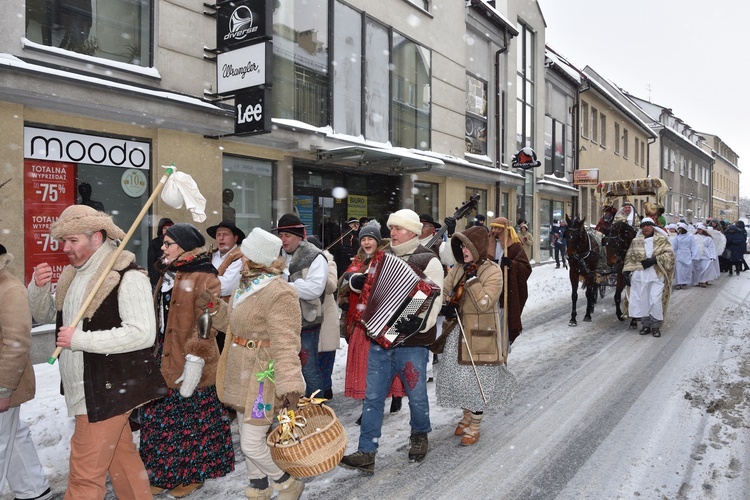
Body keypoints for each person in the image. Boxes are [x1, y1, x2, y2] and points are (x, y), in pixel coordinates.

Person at [27, 205, 167, 499]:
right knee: (121, 461)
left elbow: (143, 333)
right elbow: (50, 314)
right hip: (88, 388)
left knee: (83, 478)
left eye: (73, 240)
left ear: (97, 238)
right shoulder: (72, 276)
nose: (65, 248)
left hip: (107, 389)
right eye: (63, 241)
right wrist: (39, 290)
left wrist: (82, 340)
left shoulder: (128, 277)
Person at [340, 209, 443, 473]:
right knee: (373, 397)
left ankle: (419, 434)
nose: (392, 233)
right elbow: (362, 286)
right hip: (379, 341)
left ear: (412, 231)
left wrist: (405, 326)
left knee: (416, 395)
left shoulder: (428, 260)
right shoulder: (381, 259)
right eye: (391, 228)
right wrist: (357, 282)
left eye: (398, 228)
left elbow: (431, 305)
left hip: (412, 344)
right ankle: (367, 450)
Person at [140, 223, 234, 497]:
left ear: (182, 246)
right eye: (163, 243)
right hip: (163, 357)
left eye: (168, 243)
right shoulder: (167, 274)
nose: (163, 247)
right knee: (160, 420)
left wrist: (195, 358)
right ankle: (163, 472)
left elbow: (206, 321)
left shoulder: (205, 276)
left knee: (190, 421)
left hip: (190, 358)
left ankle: (192, 474)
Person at [216, 228, 305, 500]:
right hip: (240, 370)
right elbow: (233, 326)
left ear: (253, 257)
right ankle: (259, 485)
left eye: (243, 253)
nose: (238, 257)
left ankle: (287, 481)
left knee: (252, 443)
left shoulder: (279, 292)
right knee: (246, 433)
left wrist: (290, 383)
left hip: (263, 375)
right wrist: (213, 308)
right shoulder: (248, 283)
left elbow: (286, 341)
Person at [436, 227, 518, 446]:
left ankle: (475, 425)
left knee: (476, 382)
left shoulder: (493, 271)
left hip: (481, 334)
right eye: (461, 246)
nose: (463, 250)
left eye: (467, 246)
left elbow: (484, 303)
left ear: (477, 247)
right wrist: (445, 304)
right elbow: (445, 289)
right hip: (458, 331)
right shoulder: (458, 268)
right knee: (459, 379)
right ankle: (466, 416)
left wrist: (473, 280)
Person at [338, 220, 405, 422]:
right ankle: (389, 394)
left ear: (377, 241)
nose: (367, 242)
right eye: (364, 239)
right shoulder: (357, 260)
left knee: (377, 364)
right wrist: (347, 288)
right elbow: (343, 284)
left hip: (377, 320)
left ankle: (375, 403)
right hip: (358, 320)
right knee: (366, 363)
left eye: (370, 239)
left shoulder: (384, 259)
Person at [0, 244, 52, 500]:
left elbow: (16, 342)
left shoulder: (9, 289)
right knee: (12, 436)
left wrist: (3, 388)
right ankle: (34, 489)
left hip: (4, 382)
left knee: (2, 440)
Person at [274, 213, 327, 397]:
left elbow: (315, 289)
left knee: (308, 367)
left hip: (307, 321)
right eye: (280, 235)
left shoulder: (315, 256)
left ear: (299, 236)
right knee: (284, 367)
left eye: (287, 235)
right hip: (281, 321)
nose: (283, 240)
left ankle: (317, 409)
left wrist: (284, 286)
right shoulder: (276, 255)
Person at [622, 217, 675, 337]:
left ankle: (655, 325)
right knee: (643, 301)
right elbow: (630, 257)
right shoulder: (636, 241)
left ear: (653, 226)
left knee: (655, 300)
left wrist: (655, 260)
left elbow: (670, 255)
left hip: (656, 275)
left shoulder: (661, 240)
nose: (645, 228)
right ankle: (646, 325)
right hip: (640, 276)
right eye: (643, 226)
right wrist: (626, 272)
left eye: (648, 225)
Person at [487, 217, 532, 346]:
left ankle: (502, 352)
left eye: (497, 228)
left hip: (506, 294)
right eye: (493, 228)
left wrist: (512, 265)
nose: (494, 231)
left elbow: (526, 268)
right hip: (491, 292)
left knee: (503, 326)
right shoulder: (490, 244)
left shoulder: (514, 246)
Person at [307, 235, 339, 401]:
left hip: (325, 320)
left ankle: (325, 388)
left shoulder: (329, 262)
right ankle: (315, 393)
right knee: (310, 362)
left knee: (325, 359)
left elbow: (331, 287)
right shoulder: (299, 264)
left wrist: (321, 270)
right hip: (308, 320)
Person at [208, 220, 246, 300]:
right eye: (218, 235)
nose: (221, 238)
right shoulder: (211, 256)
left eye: (225, 234)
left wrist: (201, 282)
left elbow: (225, 287)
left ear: (235, 238)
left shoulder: (240, 258)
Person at [670, 222, 697, 290]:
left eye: (681, 229)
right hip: (679, 254)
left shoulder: (690, 236)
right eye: (679, 229)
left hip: (687, 254)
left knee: (687, 269)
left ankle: (685, 282)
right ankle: (679, 283)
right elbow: (674, 246)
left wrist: (694, 255)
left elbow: (693, 246)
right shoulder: (677, 237)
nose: (680, 230)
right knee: (679, 269)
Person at [147, 217, 173, 288]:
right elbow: (151, 263)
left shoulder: (176, 243)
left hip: (172, 279)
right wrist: (154, 280)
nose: (167, 230)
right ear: (161, 229)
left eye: (169, 228)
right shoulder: (155, 243)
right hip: (158, 278)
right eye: (165, 228)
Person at [692, 223, 718, 288]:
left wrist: (712, 256)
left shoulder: (708, 238)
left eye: (700, 229)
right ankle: (698, 280)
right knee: (698, 269)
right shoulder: (694, 237)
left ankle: (703, 281)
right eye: (698, 229)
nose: (699, 230)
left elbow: (711, 247)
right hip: (697, 255)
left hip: (706, 255)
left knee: (705, 268)